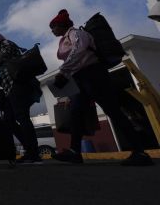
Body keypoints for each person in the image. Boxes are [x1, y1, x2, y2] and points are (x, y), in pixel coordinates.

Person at [49, 9, 153, 166]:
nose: (52, 30)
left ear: (61, 25)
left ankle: (140, 152)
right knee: (76, 113)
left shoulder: (76, 33)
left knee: (113, 111)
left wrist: (64, 71)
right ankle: (75, 152)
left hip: (93, 75)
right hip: (81, 78)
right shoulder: (66, 38)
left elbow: (79, 49)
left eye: (53, 26)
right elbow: (75, 58)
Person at [0, 32, 43, 164]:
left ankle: (34, 155)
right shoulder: (2, 50)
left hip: (18, 86)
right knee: (9, 120)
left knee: (22, 118)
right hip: (11, 90)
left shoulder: (6, 44)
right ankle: (29, 151)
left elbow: (2, 56)